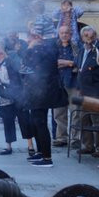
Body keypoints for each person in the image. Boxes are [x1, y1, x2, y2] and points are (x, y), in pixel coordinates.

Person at [21, 25, 66, 168]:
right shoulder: (42, 48)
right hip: (36, 92)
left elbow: (27, 62)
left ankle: (47, 157)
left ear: (38, 36)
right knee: (36, 122)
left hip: (43, 92)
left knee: (40, 123)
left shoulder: (47, 48)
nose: (29, 39)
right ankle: (40, 152)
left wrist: (30, 48)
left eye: (31, 36)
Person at [0, 38, 29, 157]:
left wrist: (6, 57)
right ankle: (8, 146)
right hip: (3, 94)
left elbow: (19, 69)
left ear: (3, 45)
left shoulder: (12, 56)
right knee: (7, 120)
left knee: (24, 119)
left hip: (16, 92)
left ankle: (30, 145)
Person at [73, 26, 99, 155]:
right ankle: (87, 145)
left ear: (95, 36)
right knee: (83, 119)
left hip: (95, 89)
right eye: (86, 36)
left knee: (97, 120)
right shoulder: (81, 50)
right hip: (82, 89)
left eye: (91, 36)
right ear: (82, 37)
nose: (89, 39)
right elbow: (79, 68)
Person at [52, 25, 79, 147]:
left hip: (73, 83)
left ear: (70, 34)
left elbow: (78, 62)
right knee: (58, 113)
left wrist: (66, 63)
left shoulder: (76, 47)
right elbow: (52, 62)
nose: (64, 35)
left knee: (75, 111)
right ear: (59, 34)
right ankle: (61, 137)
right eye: (62, 33)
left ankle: (75, 139)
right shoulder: (54, 47)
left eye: (66, 33)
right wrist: (69, 63)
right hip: (58, 83)